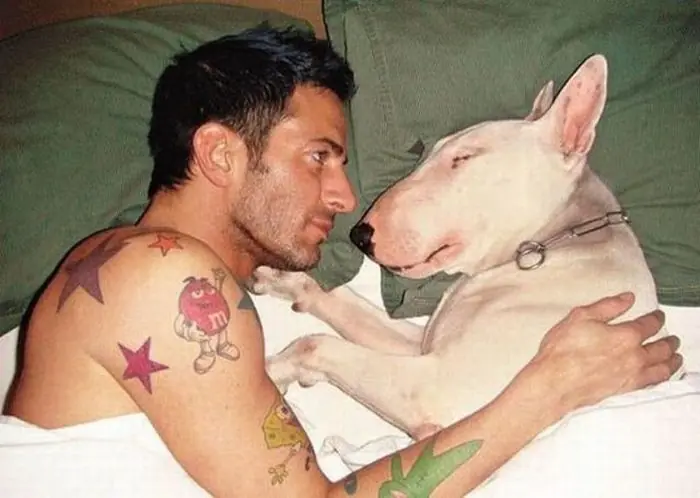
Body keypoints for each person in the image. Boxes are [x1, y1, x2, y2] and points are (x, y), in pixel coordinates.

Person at [5, 25, 682, 497]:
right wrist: (549, 388)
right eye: (317, 158)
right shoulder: (159, 275)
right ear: (220, 154)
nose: (347, 196)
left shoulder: (147, 271)